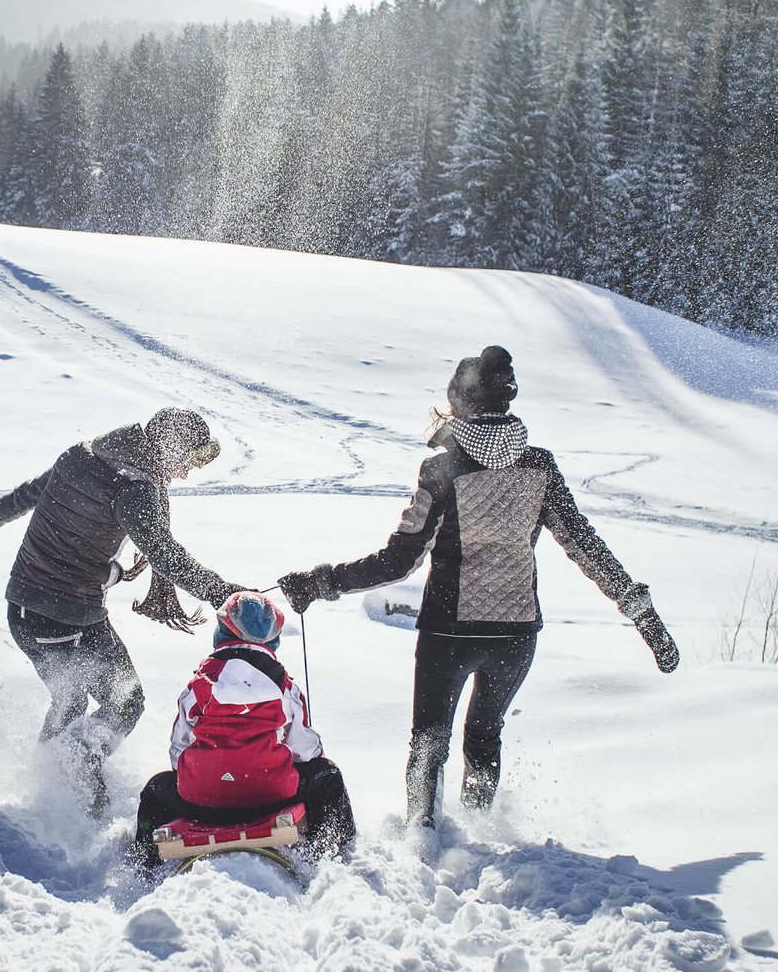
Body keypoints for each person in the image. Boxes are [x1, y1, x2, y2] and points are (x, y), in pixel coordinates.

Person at [278, 345, 678, 829]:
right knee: (485, 737)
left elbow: (398, 560)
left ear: (460, 403)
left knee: (429, 741)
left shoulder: (442, 470)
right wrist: (642, 612)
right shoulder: (541, 468)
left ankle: (420, 842)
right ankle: (479, 834)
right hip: (516, 635)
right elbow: (587, 548)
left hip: (449, 633)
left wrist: (322, 581)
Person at [0, 408, 245, 816]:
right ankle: (75, 769)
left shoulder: (81, 455)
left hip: (26, 610)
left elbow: (27, 496)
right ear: (170, 449)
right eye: (186, 462)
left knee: (72, 701)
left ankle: (45, 785)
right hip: (64, 619)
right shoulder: (136, 490)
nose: (184, 474)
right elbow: (165, 556)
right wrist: (223, 593)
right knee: (122, 703)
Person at [133, 590, 357, 869]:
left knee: (155, 789)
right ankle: (333, 856)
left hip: (201, 801)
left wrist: (211, 775)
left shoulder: (198, 686)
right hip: (269, 799)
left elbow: (178, 749)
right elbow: (305, 751)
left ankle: (142, 867)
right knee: (329, 776)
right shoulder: (284, 689)